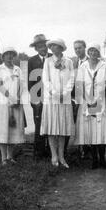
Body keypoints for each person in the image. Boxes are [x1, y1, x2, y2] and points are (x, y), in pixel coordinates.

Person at [74, 44, 106, 169]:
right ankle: (94, 159)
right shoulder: (83, 66)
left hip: (100, 102)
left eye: (95, 51)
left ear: (98, 52)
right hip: (88, 102)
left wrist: (104, 87)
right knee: (91, 130)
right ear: (88, 52)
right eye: (91, 50)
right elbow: (79, 85)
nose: (93, 53)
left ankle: (102, 159)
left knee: (101, 130)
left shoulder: (104, 65)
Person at [40, 39, 75, 168]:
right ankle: (54, 155)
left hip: (65, 99)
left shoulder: (69, 61)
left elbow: (72, 78)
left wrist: (65, 92)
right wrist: (54, 93)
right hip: (51, 99)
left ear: (61, 47)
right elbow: (45, 79)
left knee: (62, 128)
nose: (53, 48)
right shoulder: (48, 61)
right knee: (52, 129)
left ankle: (61, 156)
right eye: (51, 46)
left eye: (56, 46)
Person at [0, 47, 26, 165]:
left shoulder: (18, 69)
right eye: (7, 54)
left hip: (16, 103)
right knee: (3, 129)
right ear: (3, 56)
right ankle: (3, 158)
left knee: (13, 129)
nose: (9, 57)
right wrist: (9, 97)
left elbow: (22, 85)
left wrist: (17, 97)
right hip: (3, 103)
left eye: (11, 54)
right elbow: (0, 85)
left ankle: (10, 156)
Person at [27, 34, 52, 158]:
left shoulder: (54, 58)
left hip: (52, 98)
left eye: (44, 46)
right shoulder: (31, 61)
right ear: (36, 48)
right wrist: (35, 101)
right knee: (39, 124)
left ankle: (52, 150)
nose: (43, 48)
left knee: (52, 124)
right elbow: (29, 83)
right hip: (37, 98)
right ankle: (39, 152)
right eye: (40, 46)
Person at [67, 40, 89, 158]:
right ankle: (80, 149)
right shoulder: (73, 62)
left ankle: (87, 149)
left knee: (87, 122)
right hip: (74, 97)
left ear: (85, 48)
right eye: (75, 48)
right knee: (77, 122)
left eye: (80, 48)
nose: (77, 50)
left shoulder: (91, 61)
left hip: (87, 97)